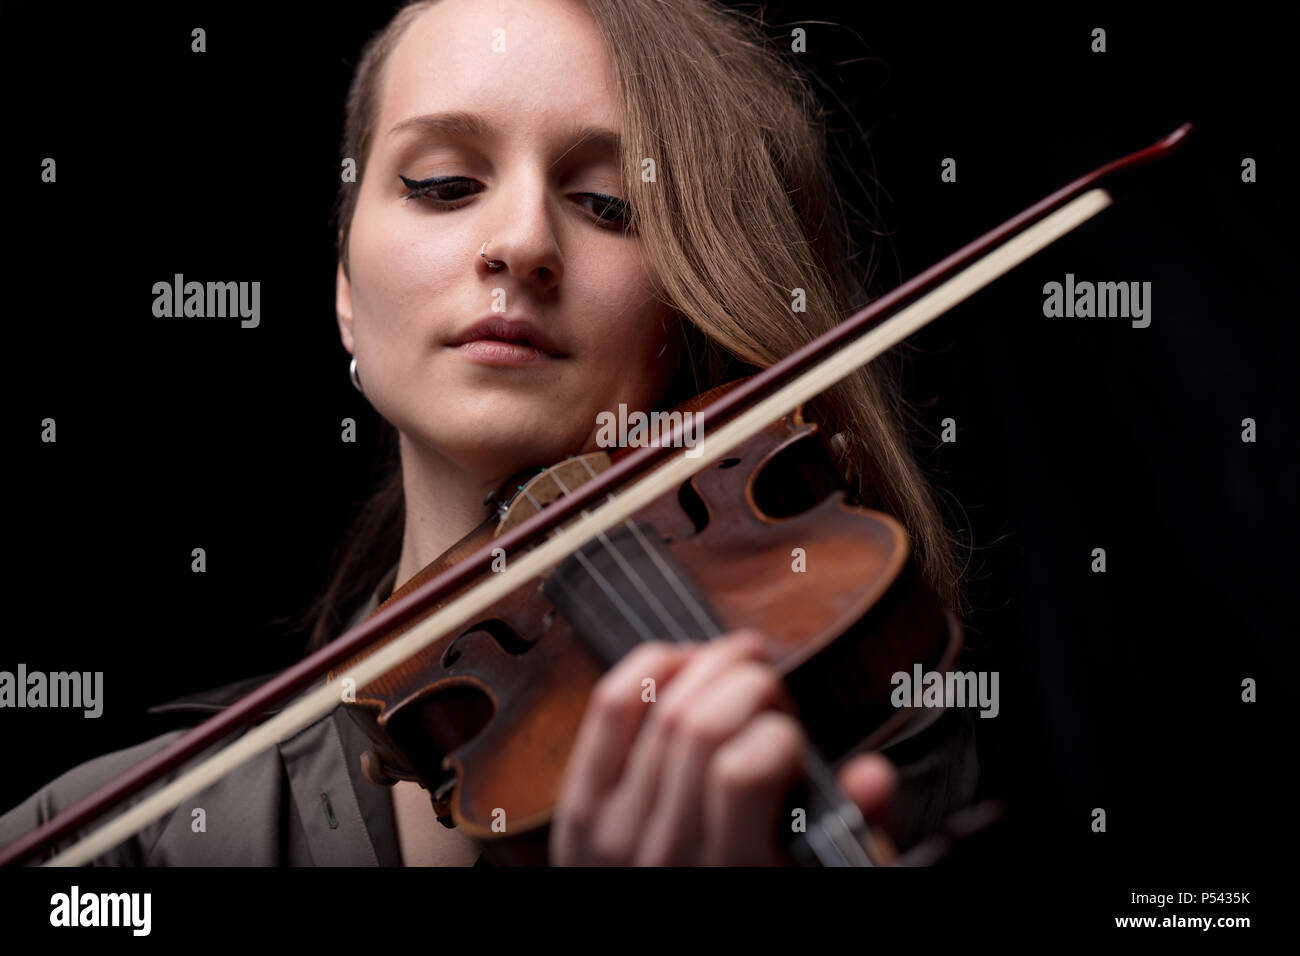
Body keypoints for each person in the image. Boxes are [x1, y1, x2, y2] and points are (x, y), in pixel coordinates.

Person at [0, 0, 977, 866]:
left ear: (688, 301)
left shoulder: (871, 734)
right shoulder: (112, 841)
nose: (519, 242)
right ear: (344, 288)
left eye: (607, 205)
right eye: (441, 183)